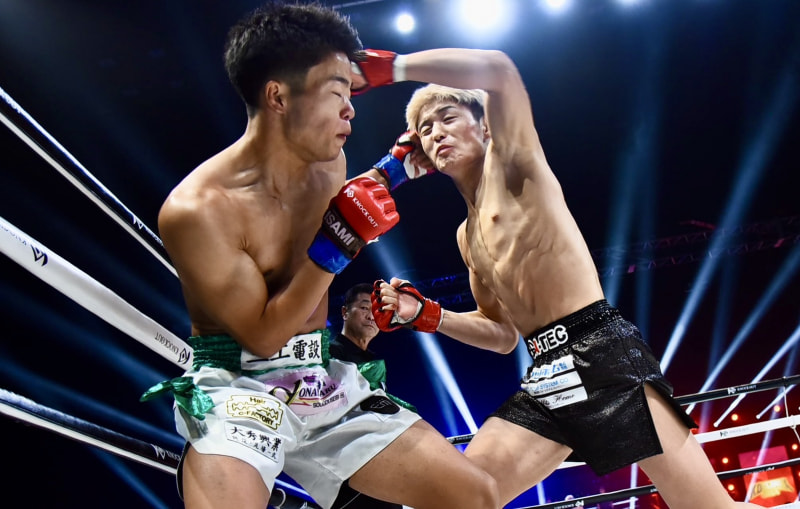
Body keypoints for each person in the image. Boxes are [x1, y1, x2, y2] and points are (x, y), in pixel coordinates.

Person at [352, 48, 763, 508]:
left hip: (603, 355)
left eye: (447, 118)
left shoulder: (514, 164)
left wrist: (394, 69)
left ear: (484, 127)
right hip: (547, 374)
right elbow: (502, 334)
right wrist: (428, 315)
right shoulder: (466, 235)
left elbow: (499, 71)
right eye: (426, 130)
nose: (437, 133)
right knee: (463, 496)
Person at [140, 5, 499, 509]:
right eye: (337, 93)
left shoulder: (329, 163)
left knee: (476, 495)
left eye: (350, 94)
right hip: (238, 385)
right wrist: (338, 247)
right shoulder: (198, 210)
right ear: (278, 96)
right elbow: (263, 336)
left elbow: (343, 207)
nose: (350, 109)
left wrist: (393, 171)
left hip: (321, 375)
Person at [329, 283, 414, 509]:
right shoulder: (331, 354)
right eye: (365, 308)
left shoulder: (373, 361)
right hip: (347, 469)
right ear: (345, 312)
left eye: (377, 311)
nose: (371, 316)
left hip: (381, 464)